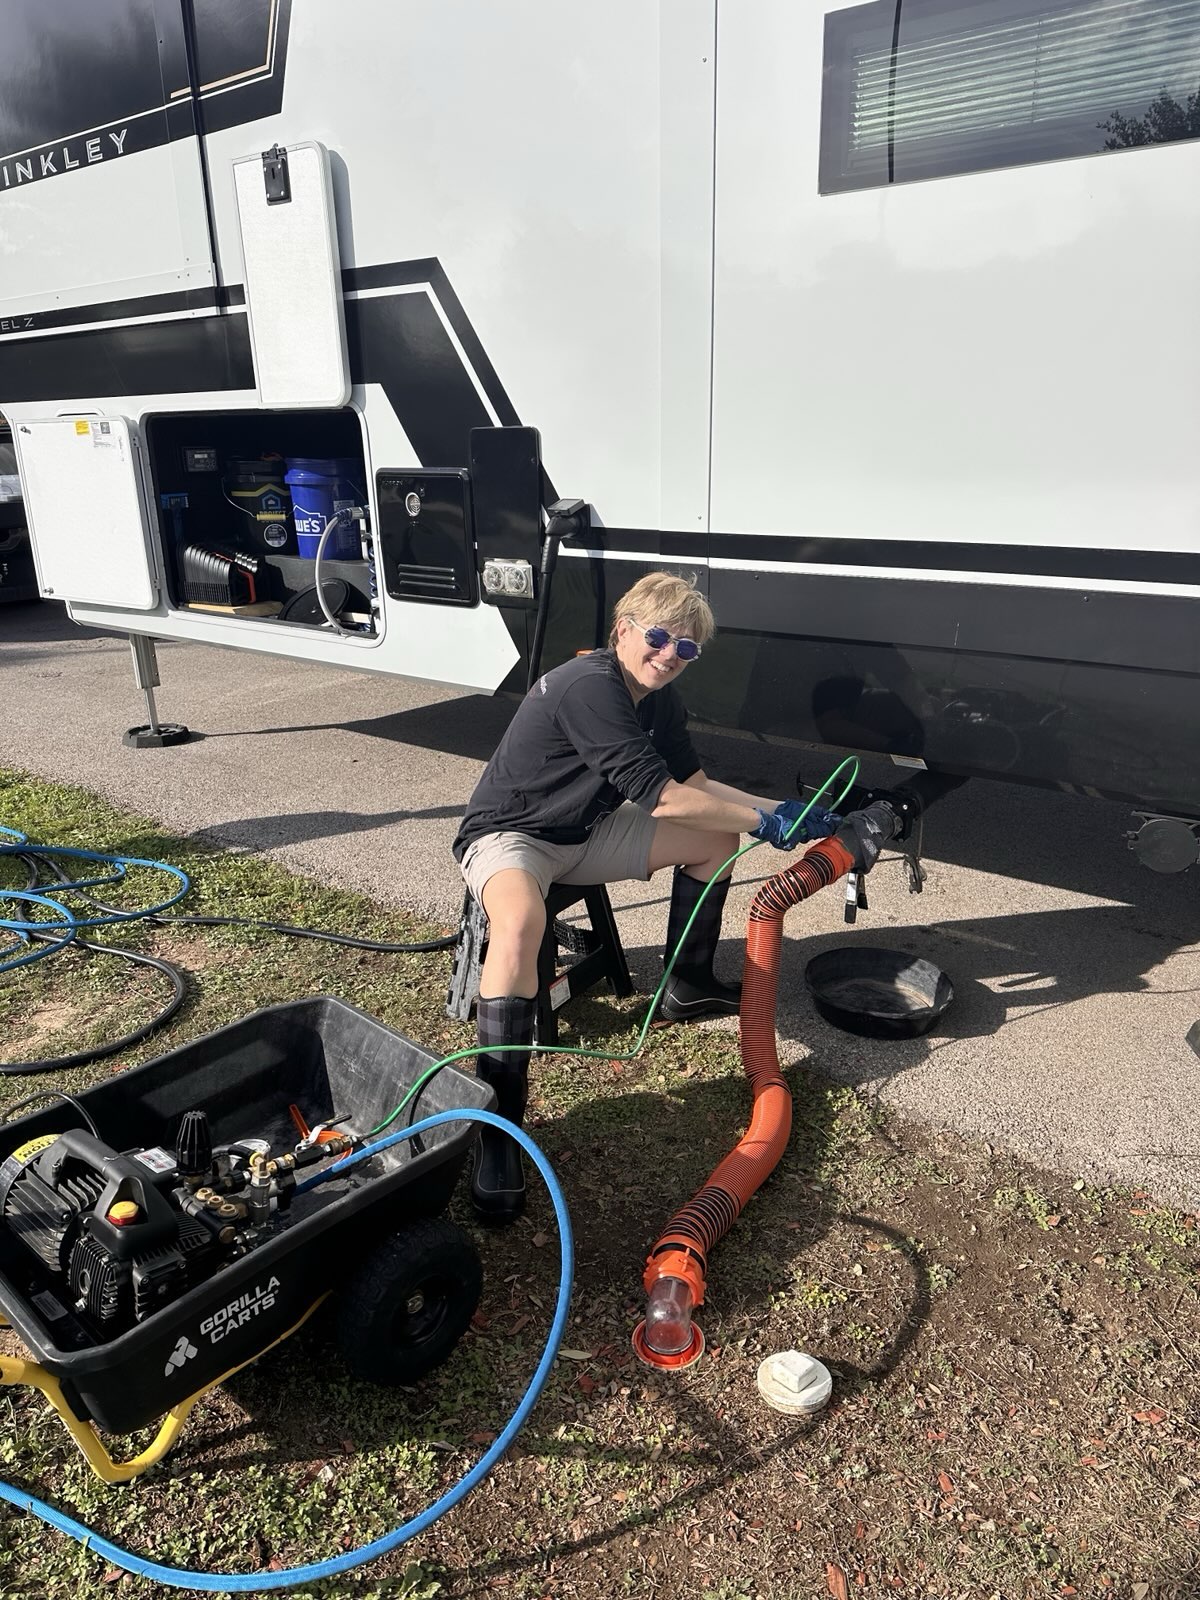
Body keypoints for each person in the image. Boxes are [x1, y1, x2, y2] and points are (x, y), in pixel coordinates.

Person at [452, 571, 839, 1223]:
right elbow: (661, 796)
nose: (668, 656)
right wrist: (762, 823)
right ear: (624, 629)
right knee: (519, 922)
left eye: (686, 650)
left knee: (711, 843)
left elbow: (698, 784)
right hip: (512, 833)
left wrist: (787, 810)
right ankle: (499, 1131)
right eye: (660, 638)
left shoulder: (657, 700)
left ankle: (686, 983)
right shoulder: (590, 686)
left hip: (584, 829)